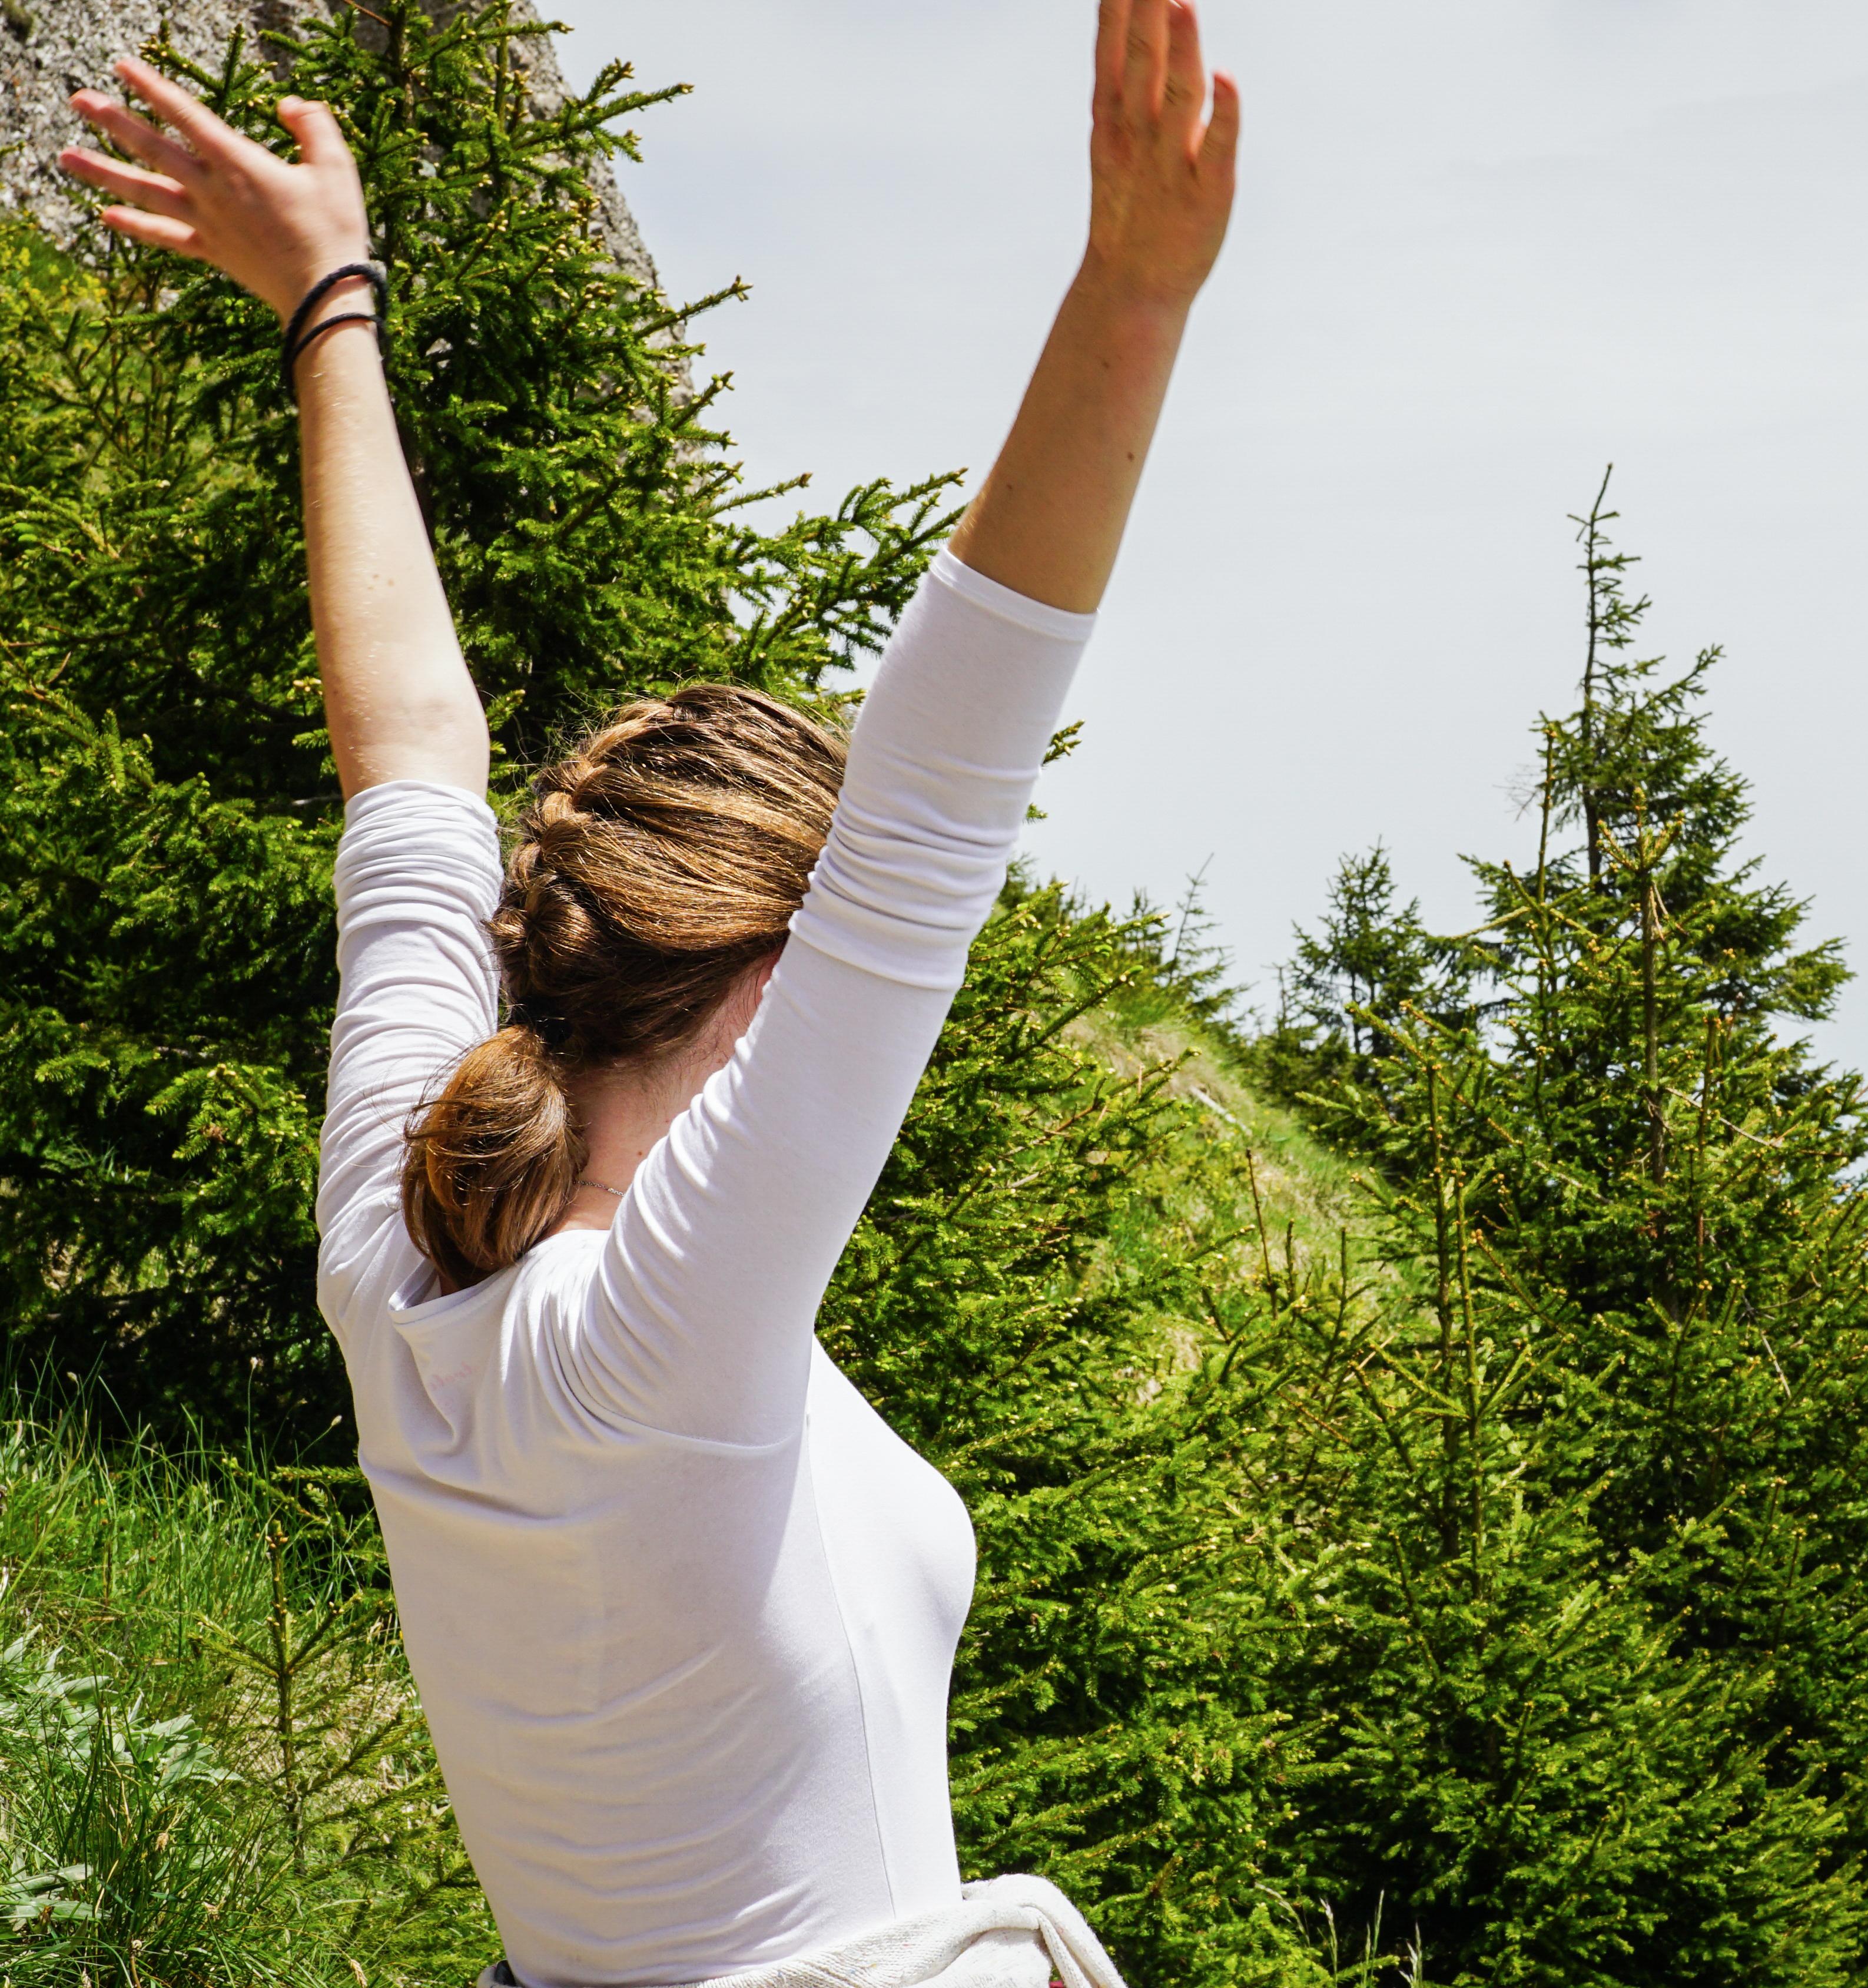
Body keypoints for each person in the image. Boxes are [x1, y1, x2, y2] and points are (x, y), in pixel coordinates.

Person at [54, 5, 1236, 1984]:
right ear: (776, 967)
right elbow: (936, 798)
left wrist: (329, 297)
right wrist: (1132, 291)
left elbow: (410, 759)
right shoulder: (657, 1326)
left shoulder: (406, 1269)